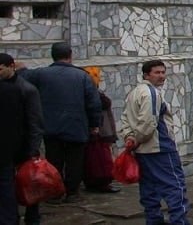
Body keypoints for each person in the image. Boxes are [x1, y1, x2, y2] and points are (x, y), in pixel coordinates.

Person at [19, 42, 102, 203]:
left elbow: (22, 77)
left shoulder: (41, 74)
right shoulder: (82, 76)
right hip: (76, 126)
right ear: (70, 55)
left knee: (53, 160)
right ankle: (72, 193)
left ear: (53, 56)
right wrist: (94, 124)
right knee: (75, 162)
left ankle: (55, 193)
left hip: (50, 125)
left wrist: (21, 68)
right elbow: (93, 103)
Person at [119, 59, 191, 225]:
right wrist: (136, 139)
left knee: (149, 189)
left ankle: (153, 220)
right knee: (175, 187)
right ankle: (179, 221)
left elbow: (125, 118)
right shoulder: (151, 93)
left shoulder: (134, 93)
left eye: (163, 72)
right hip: (160, 149)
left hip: (143, 151)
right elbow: (148, 122)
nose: (161, 76)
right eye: (157, 73)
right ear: (146, 75)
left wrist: (130, 137)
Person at [0, 53, 44, 225]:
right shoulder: (8, 88)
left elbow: (35, 121)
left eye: (0, 69)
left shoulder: (26, 89)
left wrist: (33, 149)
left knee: (29, 184)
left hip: (24, 147)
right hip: (9, 147)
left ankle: (32, 218)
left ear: (11, 66)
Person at [83, 66, 121, 194]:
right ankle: (100, 183)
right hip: (98, 131)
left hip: (99, 130)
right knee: (99, 159)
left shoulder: (92, 93)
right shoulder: (93, 94)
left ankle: (96, 182)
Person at [0, 54, 27, 225]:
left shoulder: (15, 89)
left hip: (6, 150)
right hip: (7, 150)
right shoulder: (12, 90)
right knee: (6, 188)